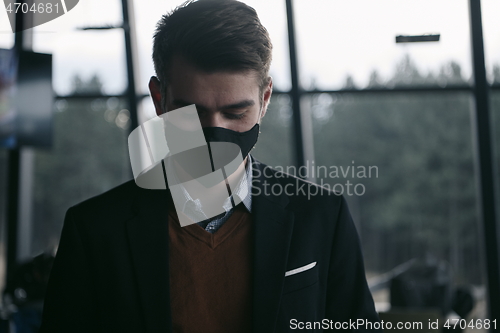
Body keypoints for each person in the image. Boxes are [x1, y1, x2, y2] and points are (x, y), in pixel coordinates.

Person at [40, 0, 380, 332]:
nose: (215, 134)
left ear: (264, 101)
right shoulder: (95, 231)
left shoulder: (322, 218)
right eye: (191, 112)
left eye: (235, 113)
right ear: (159, 100)